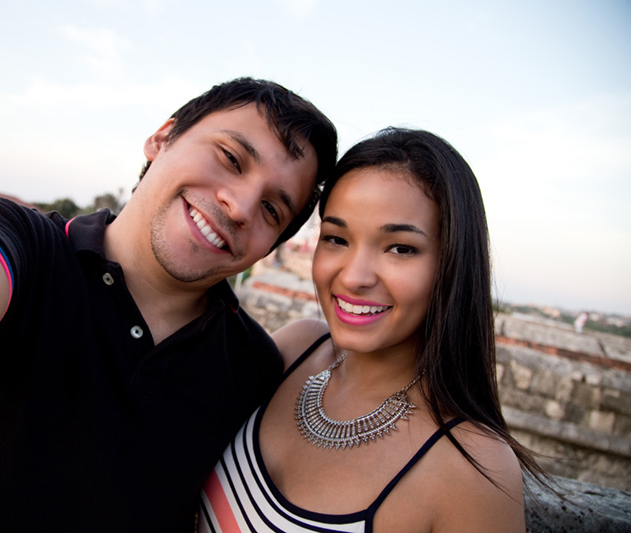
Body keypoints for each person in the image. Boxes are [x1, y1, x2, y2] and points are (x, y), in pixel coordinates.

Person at [0, 77, 338, 531]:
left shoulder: (250, 369)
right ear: (162, 138)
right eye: (230, 157)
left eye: (273, 208)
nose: (241, 205)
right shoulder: (31, 252)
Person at [198, 128, 546, 532]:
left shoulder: (472, 466)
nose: (354, 277)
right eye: (336, 238)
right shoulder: (296, 349)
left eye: (400, 248)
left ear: (452, 265)